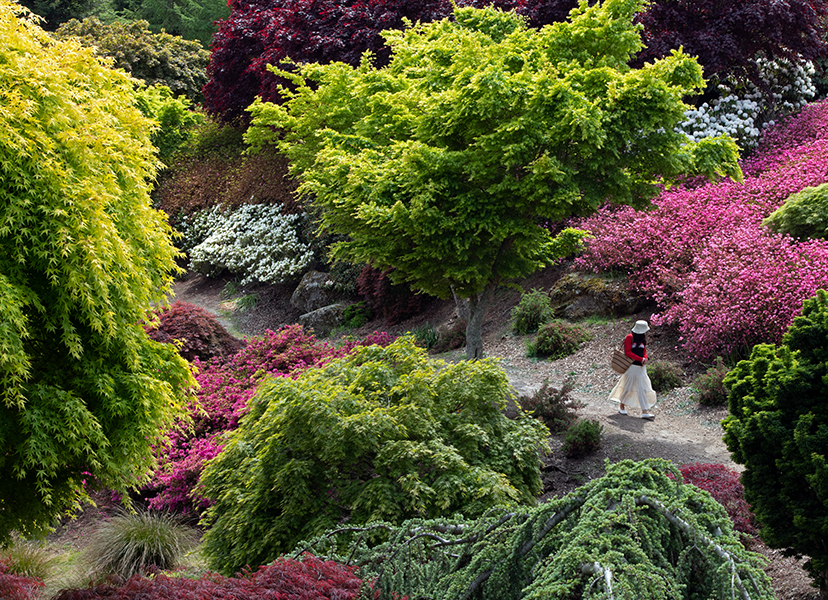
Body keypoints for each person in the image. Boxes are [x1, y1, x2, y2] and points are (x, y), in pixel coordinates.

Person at [609, 320, 657, 419]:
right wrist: (640, 359)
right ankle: (622, 406)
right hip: (632, 366)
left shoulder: (642, 338)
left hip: (641, 367)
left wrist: (645, 358)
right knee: (628, 387)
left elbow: (644, 351)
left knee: (643, 388)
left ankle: (644, 411)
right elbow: (627, 352)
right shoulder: (629, 337)